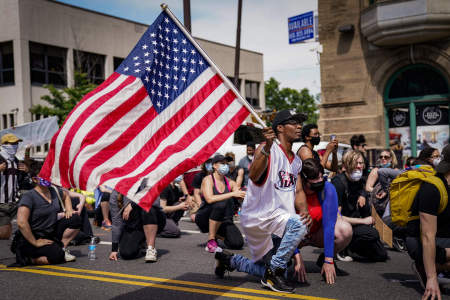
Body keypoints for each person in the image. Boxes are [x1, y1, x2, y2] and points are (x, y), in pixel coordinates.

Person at [214, 110, 310, 293]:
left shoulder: (296, 161)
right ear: (280, 128)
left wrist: (304, 214)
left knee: (284, 268)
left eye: (300, 122)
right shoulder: (266, 149)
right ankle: (272, 274)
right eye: (294, 122)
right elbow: (255, 175)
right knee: (278, 267)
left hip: (280, 222)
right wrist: (266, 147)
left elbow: (298, 192)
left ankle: (229, 260)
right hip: (261, 221)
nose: (299, 126)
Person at [294, 159, 352, 285]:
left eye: (321, 176)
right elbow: (282, 228)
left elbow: (329, 226)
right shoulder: (293, 191)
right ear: (304, 180)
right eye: (315, 178)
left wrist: (329, 259)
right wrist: (297, 257)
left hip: (316, 234)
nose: (320, 181)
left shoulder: (327, 188)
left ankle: (323, 259)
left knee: (345, 230)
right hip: (295, 237)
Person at [12, 163, 81, 265]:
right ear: (35, 179)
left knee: (75, 218)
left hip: (49, 233)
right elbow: (21, 223)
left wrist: (69, 209)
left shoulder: (54, 191)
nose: (48, 178)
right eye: (44, 175)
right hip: (31, 237)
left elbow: (66, 195)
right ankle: (26, 258)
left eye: (49, 174)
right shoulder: (29, 196)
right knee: (57, 256)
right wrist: (35, 242)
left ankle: (62, 247)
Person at [406, 144, 450, 300]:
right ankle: (428, 268)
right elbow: (427, 236)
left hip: (444, 237)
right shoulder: (432, 188)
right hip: (419, 240)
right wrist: (432, 278)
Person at [331, 150, 387, 262]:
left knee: (381, 255)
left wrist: (363, 194)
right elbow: (336, 217)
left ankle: (353, 247)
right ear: (347, 165)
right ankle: (343, 247)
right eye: (355, 163)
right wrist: (364, 221)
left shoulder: (360, 181)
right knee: (372, 234)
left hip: (356, 224)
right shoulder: (339, 183)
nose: (358, 166)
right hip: (343, 226)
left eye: (361, 163)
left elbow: (365, 189)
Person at [195, 154, 245, 252]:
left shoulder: (230, 182)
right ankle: (211, 241)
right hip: (204, 218)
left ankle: (217, 235)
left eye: (227, 163)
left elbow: (238, 192)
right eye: (222, 163)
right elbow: (209, 199)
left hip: (223, 219)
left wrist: (242, 195)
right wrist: (232, 194)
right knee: (220, 204)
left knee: (237, 243)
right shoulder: (208, 180)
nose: (225, 166)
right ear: (214, 165)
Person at [109, 190, 166, 262]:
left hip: (154, 219)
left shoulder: (146, 182)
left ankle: (151, 249)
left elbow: (156, 202)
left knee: (148, 208)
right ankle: (141, 242)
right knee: (126, 254)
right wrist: (114, 249)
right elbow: (116, 222)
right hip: (135, 226)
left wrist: (133, 204)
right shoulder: (115, 194)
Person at [0, 133, 33, 240]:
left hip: (15, 202)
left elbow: (24, 177)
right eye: (12, 143)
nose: (15, 146)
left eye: (16, 143)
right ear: (4, 144)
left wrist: (27, 170)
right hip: (1, 204)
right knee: (4, 235)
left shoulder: (15, 160)